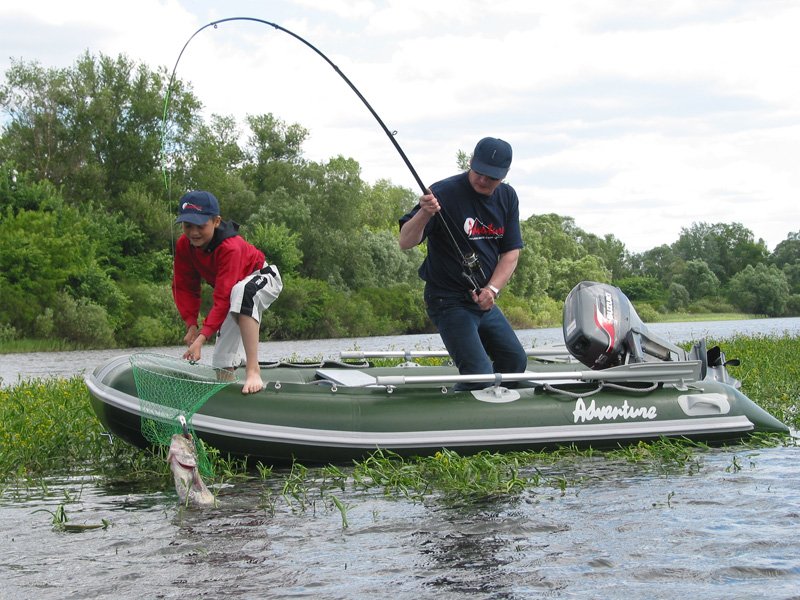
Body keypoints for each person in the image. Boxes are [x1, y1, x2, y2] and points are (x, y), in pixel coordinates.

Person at [398, 137, 528, 389]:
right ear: (470, 162)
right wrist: (425, 213)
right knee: (477, 374)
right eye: (478, 172)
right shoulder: (443, 193)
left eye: (491, 177)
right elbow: (405, 241)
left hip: (483, 299)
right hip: (447, 299)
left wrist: (492, 289)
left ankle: (500, 416)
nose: (482, 180)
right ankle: (455, 413)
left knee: (514, 361)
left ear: (503, 176)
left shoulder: (508, 197)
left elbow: (511, 253)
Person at [172, 190, 283, 394]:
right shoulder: (184, 245)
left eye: (201, 226)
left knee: (243, 291)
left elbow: (222, 299)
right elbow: (184, 285)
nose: (194, 232)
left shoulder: (230, 248)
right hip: (234, 295)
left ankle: (253, 370)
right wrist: (191, 325)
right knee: (222, 359)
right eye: (188, 226)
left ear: (216, 221)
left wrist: (201, 339)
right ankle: (228, 393)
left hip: (264, 277)